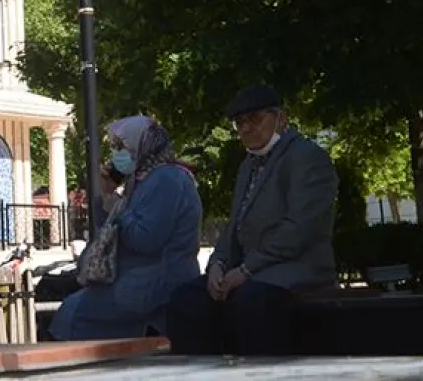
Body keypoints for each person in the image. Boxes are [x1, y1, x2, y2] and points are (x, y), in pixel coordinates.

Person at [166, 85, 339, 355]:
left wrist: (246, 271)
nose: (246, 129)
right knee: (186, 300)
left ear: (281, 119)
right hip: (254, 271)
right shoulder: (248, 165)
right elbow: (233, 226)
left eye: (255, 120)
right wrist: (218, 265)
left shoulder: (307, 157)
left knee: (250, 302)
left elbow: (299, 229)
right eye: (239, 123)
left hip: (297, 268)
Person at [48, 115, 202, 341]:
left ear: (143, 145)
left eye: (121, 147)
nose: (116, 154)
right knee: (72, 308)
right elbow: (109, 231)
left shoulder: (168, 179)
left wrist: (119, 211)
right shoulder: (140, 179)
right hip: (135, 277)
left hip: (158, 279)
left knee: (74, 314)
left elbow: (146, 239)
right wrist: (107, 195)